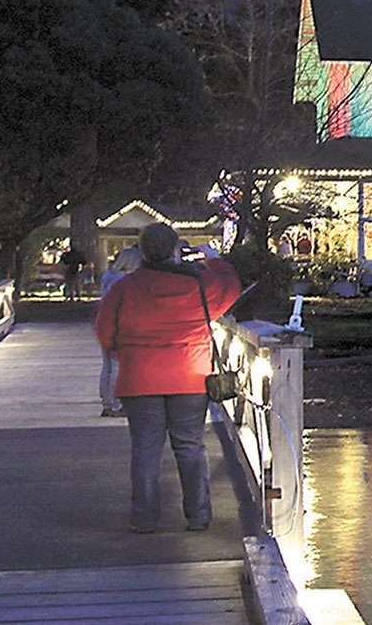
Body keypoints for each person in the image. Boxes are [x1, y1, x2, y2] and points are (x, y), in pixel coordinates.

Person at [93, 223, 241, 533]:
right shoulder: (199, 286)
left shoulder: (124, 287)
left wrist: (126, 354)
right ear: (176, 250)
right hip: (189, 376)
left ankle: (144, 518)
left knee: (146, 448)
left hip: (139, 378)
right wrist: (211, 258)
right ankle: (198, 515)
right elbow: (231, 285)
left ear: (141, 251)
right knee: (190, 447)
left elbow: (104, 331)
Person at [97, 246, 142, 417]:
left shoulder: (108, 277)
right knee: (118, 365)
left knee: (107, 366)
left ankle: (107, 402)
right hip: (119, 325)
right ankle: (117, 404)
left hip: (104, 321)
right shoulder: (126, 281)